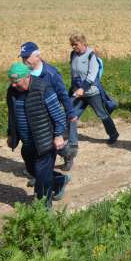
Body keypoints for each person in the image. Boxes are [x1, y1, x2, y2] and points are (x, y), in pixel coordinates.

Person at [6, 63, 69, 206]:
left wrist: (59, 135)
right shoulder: (12, 91)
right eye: (11, 82)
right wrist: (11, 134)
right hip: (27, 142)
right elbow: (12, 115)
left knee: (42, 176)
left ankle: (43, 210)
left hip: (45, 141)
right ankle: (59, 181)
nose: (13, 85)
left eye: (16, 82)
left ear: (27, 77)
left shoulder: (43, 88)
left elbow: (59, 115)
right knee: (32, 170)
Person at [20, 42, 78, 171]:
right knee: (35, 141)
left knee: (52, 142)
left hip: (49, 115)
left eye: (26, 57)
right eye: (22, 57)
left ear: (37, 56)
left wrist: (70, 113)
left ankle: (67, 154)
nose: (24, 61)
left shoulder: (50, 73)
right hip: (32, 114)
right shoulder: (24, 73)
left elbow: (62, 94)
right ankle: (37, 169)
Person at [69, 33, 119, 144]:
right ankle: (72, 142)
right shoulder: (73, 54)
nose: (73, 47)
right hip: (78, 93)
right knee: (72, 115)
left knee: (102, 114)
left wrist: (83, 88)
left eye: (75, 44)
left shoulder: (91, 56)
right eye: (72, 44)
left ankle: (113, 134)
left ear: (83, 43)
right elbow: (73, 73)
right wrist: (73, 88)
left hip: (92, 92)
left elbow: (92, 75)